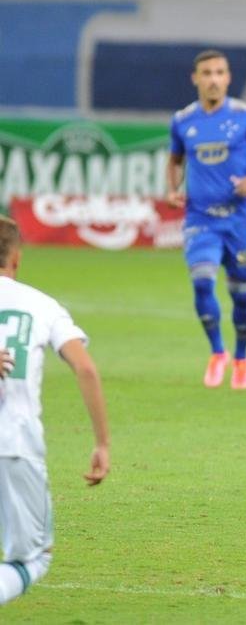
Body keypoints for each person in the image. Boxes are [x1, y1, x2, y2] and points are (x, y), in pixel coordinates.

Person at [0, 215, 111, 605]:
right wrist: (102, 443)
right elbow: (85, 367)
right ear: (17, 257)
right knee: (32, 559)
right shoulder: (41, 305)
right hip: (14, 443)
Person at [166, 49, 246, 391]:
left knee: (242, 295)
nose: (213, 79)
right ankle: (218, 352)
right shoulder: (183, 120)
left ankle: (242, 358)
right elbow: (174, 160)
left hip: (238, 221)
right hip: (200, 219)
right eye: (207, 73)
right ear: (196, 78)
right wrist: (173, 188)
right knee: (202, 279)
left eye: (219, 72)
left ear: (228, 77)